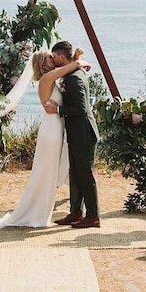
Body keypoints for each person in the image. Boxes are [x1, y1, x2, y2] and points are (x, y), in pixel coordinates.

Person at [0, 49, 91, 228]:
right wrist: (79, 61)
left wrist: (76, 58)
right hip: (52, 131)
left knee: (49, 172)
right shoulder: (47, 78)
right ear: (43, 63)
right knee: (46, 173)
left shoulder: (52, 77)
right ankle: (37, 213)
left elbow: (68, 68)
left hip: (56, 127)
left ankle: (44, 210)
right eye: (50, 57)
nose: (53, 58)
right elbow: (71, 66)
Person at [43, 41, 101, 228]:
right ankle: (76, 212)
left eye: (54, 56)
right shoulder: (72, 73)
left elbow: (81, 109)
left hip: (83, 133)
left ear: (61, 57)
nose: (53, 59)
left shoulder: (73, 78)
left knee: (85, 175)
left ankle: (93, 216)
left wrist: (58, 110)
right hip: (77, 133)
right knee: (75, 174)